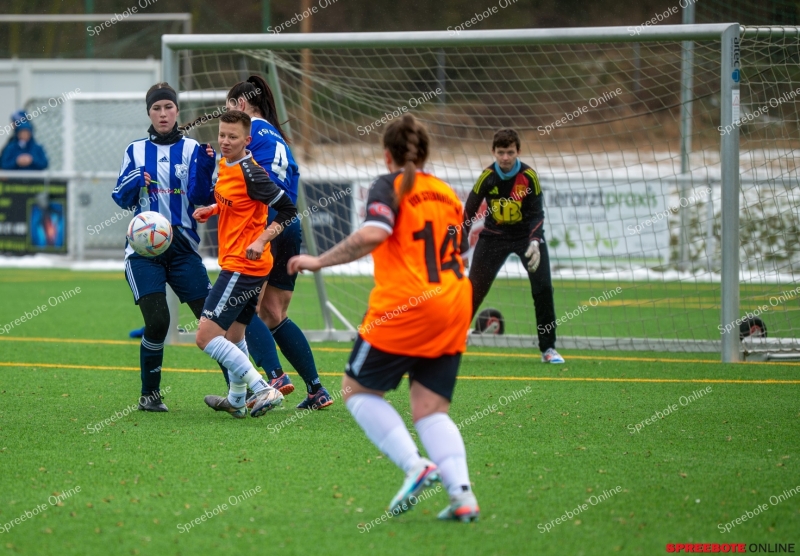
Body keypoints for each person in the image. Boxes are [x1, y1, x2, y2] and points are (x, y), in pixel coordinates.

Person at [288, 114, 479, 522]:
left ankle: (415, 465)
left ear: (386, 154)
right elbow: (460, 251)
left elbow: (375, 233)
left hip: (407, 306)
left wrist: (318, 260)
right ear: (425, 153)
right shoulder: (446, 192)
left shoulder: (389, 184)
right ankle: (462, 494)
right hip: (455, 302)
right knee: (431, 411)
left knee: (356, 391)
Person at [111, 82, 281, 412]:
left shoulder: (193, 149)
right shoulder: (134, 150)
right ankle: (150, 395)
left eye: (168, 107)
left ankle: (241, 395)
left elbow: (204, 198)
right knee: (158, 322)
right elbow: (120, 196)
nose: (163, 114)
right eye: (156, 108)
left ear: (177, 111)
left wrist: (204, 169)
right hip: (144, 253)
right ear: (149, 112)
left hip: (184, 250)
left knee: (215, 323)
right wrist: (136, 180)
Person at [222, 75, 332, 410]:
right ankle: (316, 390)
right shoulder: (279, 137)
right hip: (290, 225)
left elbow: (243, 180)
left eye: (229, 111)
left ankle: (273, 378)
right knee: (274, 312)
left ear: (241, 105)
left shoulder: (248, 131)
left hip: (262, 227)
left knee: (239, 312)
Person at [193, 110, 297, 418]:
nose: (225, 141)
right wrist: (213, 209)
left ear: (247, 140)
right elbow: (240, 204)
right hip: (245, 265)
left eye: (232, 137)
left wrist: (263, 239)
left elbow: (289, 210)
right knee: (235, 337)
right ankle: (237, 400)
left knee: (205, 337)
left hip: (243, 265)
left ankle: (262, 388)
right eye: (222, 135)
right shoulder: (225, 164)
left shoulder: (252, 173)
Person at [463, 128, 565, 363]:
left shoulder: (529, 177)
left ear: (518, 151)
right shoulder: (486, 177)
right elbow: (468, 212)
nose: (505, 158)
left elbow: (537, 214)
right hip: (493, 236)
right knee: (472, 290)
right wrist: (462, 248)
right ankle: (451, 340)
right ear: (493, 152)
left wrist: (535, 240)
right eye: (501, 152)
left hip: (525, 239)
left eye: (510, 152)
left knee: (543, 289)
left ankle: (548, 349)